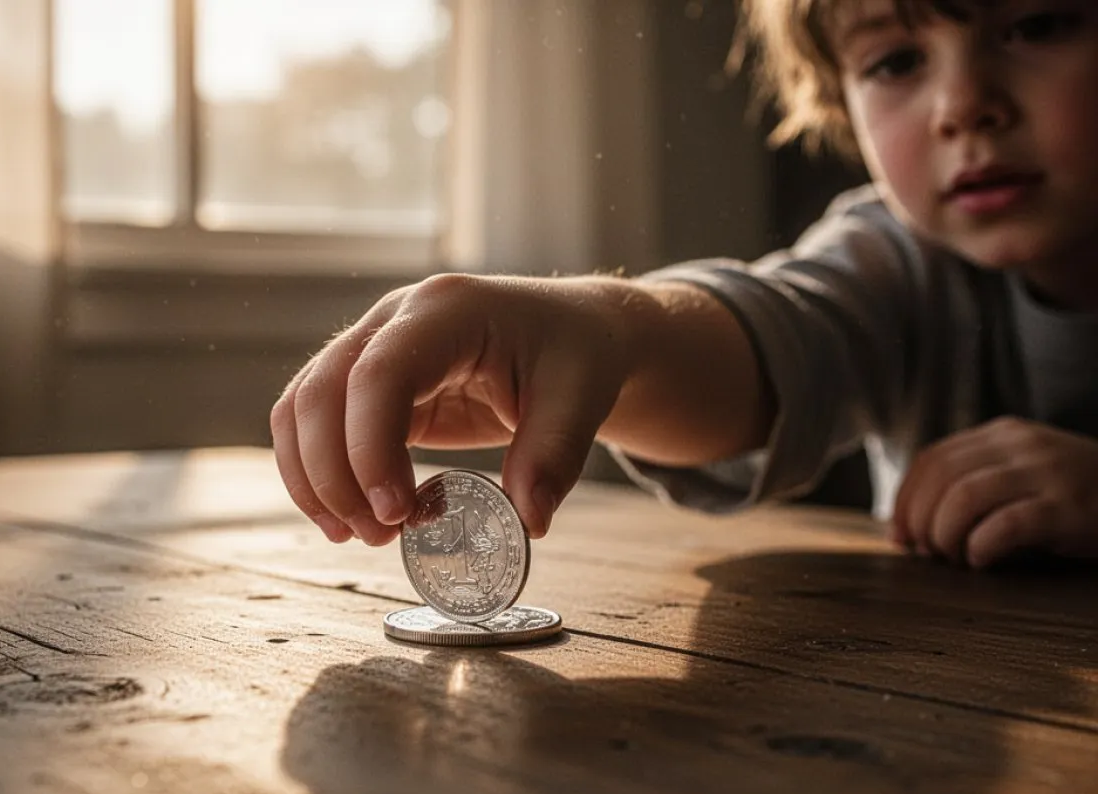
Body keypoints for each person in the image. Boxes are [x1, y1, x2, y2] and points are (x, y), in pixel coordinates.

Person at [270, 0, 1098, 570]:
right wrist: (606, 331)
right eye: (897, 61)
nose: (962, 104)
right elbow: (767, 337)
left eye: (1037, 23)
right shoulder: (902, 263)